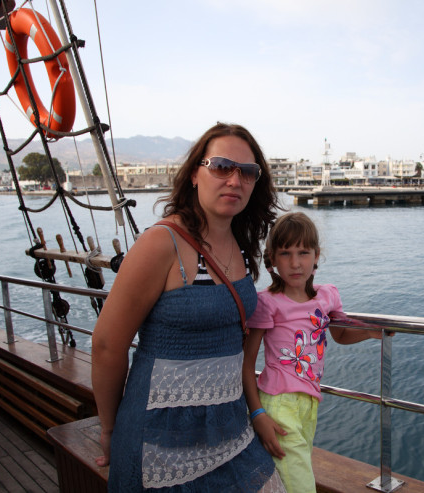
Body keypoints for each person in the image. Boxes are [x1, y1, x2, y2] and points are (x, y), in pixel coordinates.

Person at [92, 122, 286, 491]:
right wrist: (109, 428)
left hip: (230, 427)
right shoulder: (161, 243)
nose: (235, 180)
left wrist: (256, 410)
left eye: (247, 172)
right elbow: (106, 345)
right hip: (159, 440)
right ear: (195, 174)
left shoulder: (241, 245)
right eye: (222, 167)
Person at [242, 212, 386, 493]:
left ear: (316, 255)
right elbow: (247, 365)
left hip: (310, 405)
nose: (295, 263)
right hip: (279, 405)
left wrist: (371, 332)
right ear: (272, 259)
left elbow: (340, 334)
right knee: (301, 485)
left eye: (303, 252)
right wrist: (257, 413)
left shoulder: (327, 296)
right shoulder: (268, 303)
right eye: (285, 253)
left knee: (291, 479)